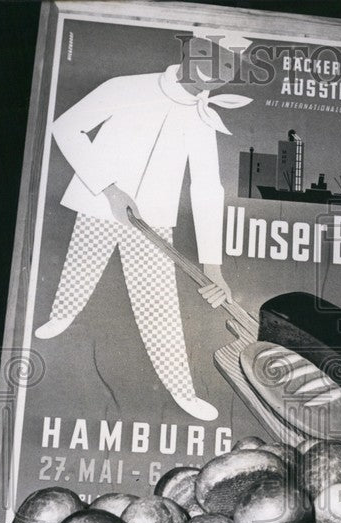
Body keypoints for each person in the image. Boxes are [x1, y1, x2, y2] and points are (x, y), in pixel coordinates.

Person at [34, 33, 250, 421]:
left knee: (159, 309)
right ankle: (61, 317)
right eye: (207, 57)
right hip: (100, 204)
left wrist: (213, 265)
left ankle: (182, 392)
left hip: (151, 225)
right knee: (77, 272)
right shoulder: (126, 87)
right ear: (187, 50)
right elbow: (66, 128)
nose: (213, 71)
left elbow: (206, 186)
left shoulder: (202, 119)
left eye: (226, 67)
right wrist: (109, 189)